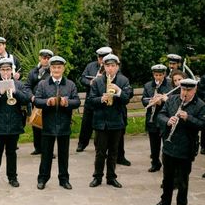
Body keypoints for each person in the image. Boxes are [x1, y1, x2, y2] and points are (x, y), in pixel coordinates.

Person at [151, 78, 205, 205]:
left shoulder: (200, 105)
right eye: (183, 89)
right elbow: (161, 115)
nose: (185, 93)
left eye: (188, 90)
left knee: (182, 178)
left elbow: (203, 125)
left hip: (186, 147)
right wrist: (168, 121)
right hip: (169, 144)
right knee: (167, 177)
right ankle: (165, 201)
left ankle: (181, 204)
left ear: (194, 90)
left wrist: (188, 117)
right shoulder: (172, 99)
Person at [33, 56, 80, 190]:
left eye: (59, 67)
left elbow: (77, 101)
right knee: (46, 154)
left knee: (63, 154)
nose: (56, 70)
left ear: (63, 69)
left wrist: (67, 103)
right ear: (50, 68)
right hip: (47, 125)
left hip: (64, 124)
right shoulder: (43, 84)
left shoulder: (70, 84)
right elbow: (36, 100)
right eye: (54, 67)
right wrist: (47, 102)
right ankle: (42, 178)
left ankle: (64, 179)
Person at [0, 57, 31, 187]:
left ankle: (12, 177)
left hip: (14, 124)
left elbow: (26, 99)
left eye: (8, 69)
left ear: (12, 70)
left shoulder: (19, 85)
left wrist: (15, 92)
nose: (6, 72)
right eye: (3, 70)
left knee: (11, 152)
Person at [87, 53, 131, 188]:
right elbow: (90, 101)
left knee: (113, 152)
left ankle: (111, 177)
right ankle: (97, 177)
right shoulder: (97, 81)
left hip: (116, 121)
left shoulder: (123, 81)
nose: (110, 68)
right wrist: (101, 99)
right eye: (108, 66)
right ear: (104, 67)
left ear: (117, 67)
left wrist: (118, 91)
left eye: (113, 66)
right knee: (100, 152)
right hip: (101, 122)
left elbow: (126, 99)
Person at [142, 64, 173, 172]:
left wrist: (162, 101)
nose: (158, 77)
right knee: (154, 145)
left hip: (164, 119)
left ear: (164, 74)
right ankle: (155, 163)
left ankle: (167, 166)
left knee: (166, 145)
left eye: (160, 75)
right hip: (152, 119)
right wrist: (150, 101)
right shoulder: (148, 85)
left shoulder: (170, 85)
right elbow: (144, 99)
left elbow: (173, 102)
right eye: (156, 75)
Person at [77, 47, 108, 152]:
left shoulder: (112, 67)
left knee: (101, 125)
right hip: (90, 100)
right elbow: (82, 78)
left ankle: (100, 146)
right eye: (100, 57)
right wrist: (91, 82)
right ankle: (82, 144)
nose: (102, 59)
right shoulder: (90, 66)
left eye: (104, 57)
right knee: (86, 123)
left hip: (103, 100)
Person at [26, 49, 53, 155]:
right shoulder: (33, 71)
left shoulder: (52, 72)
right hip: (35, 102)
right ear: (40, 58)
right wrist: (31, 97)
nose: (46, 60)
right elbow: (27, 86)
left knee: (48, 126)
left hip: (47, 103)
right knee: (36, 126)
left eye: (48, 58)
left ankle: (48, 150)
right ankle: (38, 148)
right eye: (44, 58)